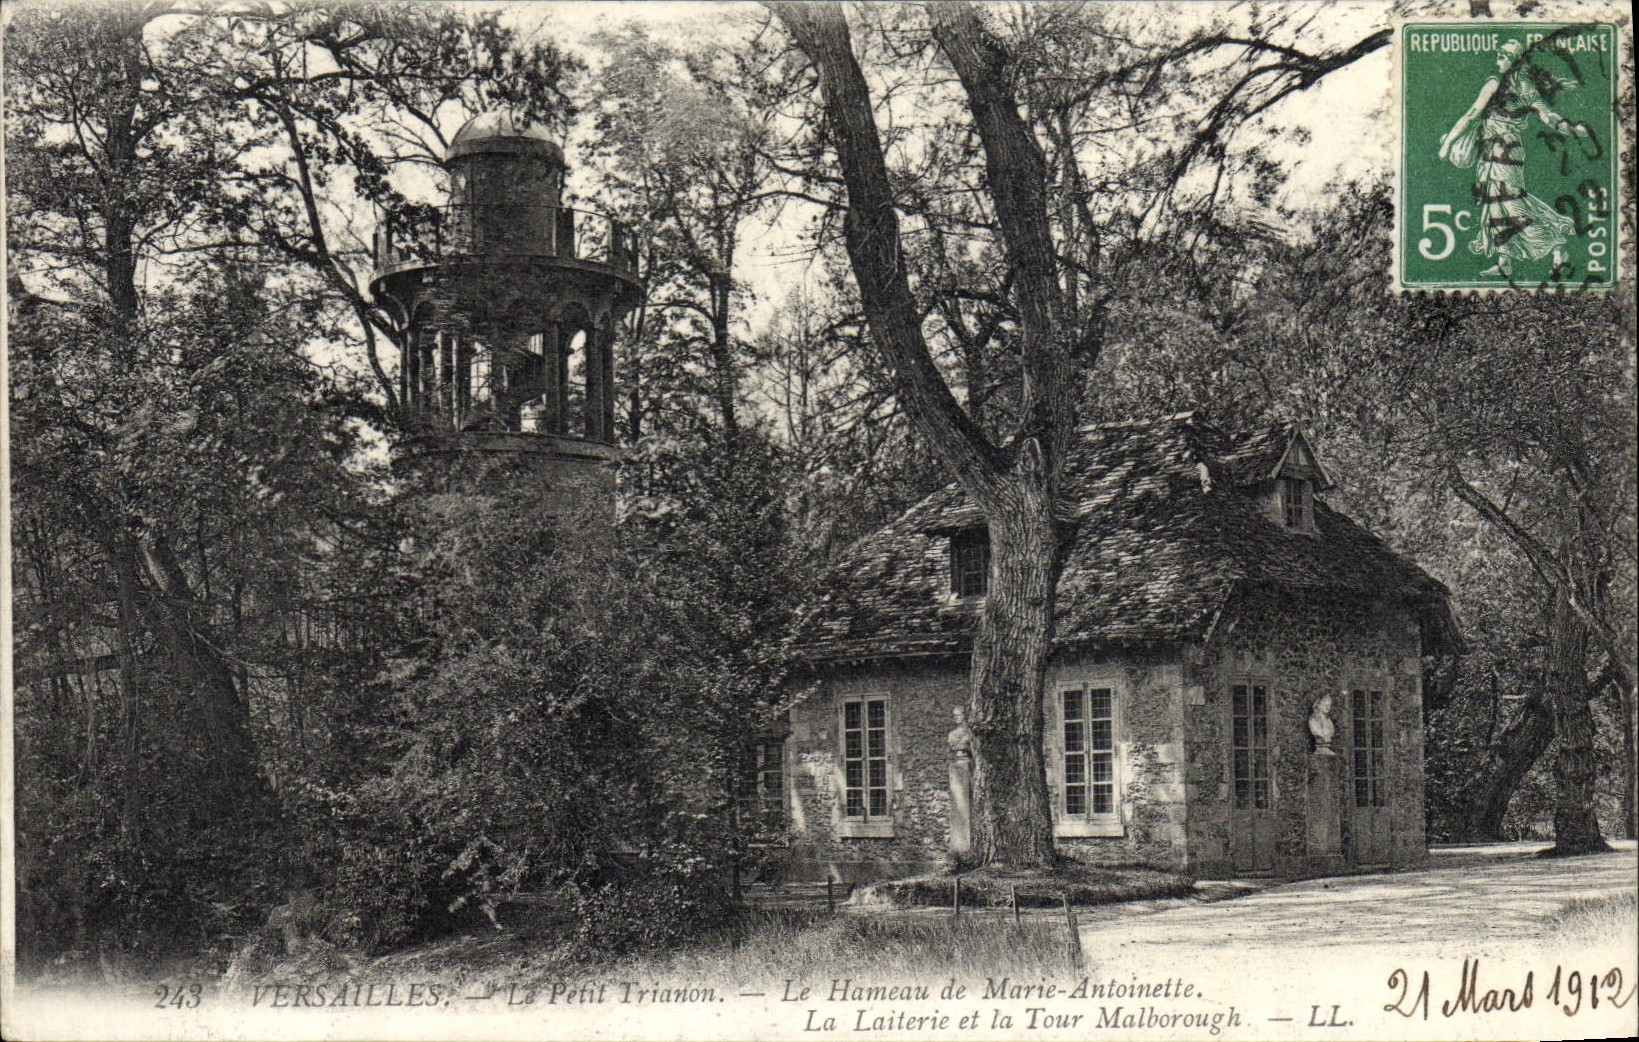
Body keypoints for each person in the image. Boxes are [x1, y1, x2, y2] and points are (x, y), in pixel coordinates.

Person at [1438, 39, 1588, 276]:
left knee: (1511, 203)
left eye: (1505, 55)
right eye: (1499, 54)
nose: (1499, 58)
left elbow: (1471, 114)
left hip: (1502, 152)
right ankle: (1505, 260)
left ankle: (1557, 246)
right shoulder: (1525, 87)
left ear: (1516, 60)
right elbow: (1548, 117)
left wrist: (1448, 143)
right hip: (1499, 151)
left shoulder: (1498, 85)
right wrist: (1569, 128)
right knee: (1495, 203)